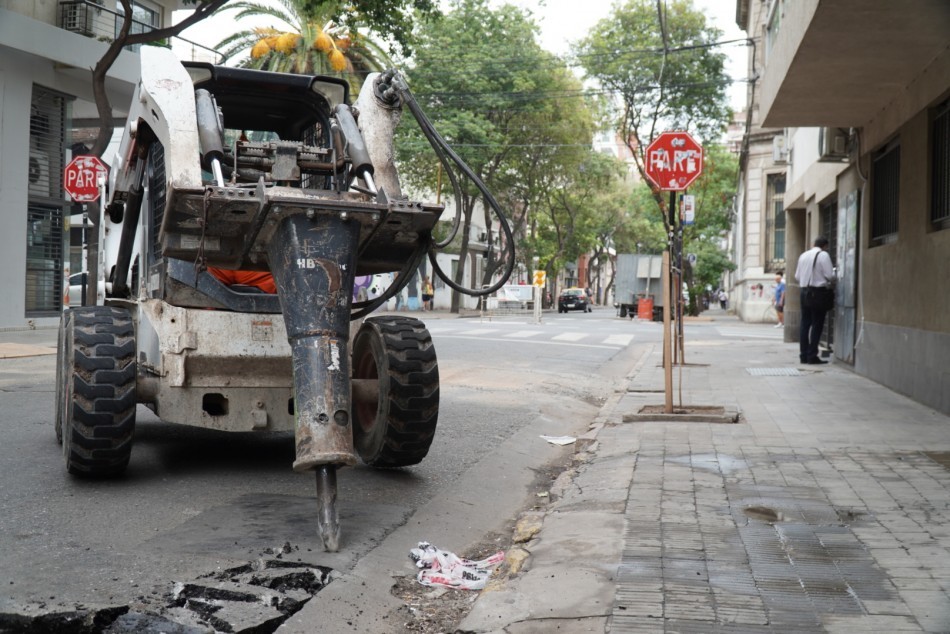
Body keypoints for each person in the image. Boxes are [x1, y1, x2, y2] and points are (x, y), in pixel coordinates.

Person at [794, 236, 835, 364]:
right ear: (825, 246)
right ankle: (812, 356)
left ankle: (803, 355)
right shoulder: (823, 255)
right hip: (817, 293)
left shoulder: (803, 255)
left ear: (814, 244)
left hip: (804, 291)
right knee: (817, 324)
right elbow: (830, 275)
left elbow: (797, 276)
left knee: (805, 324)